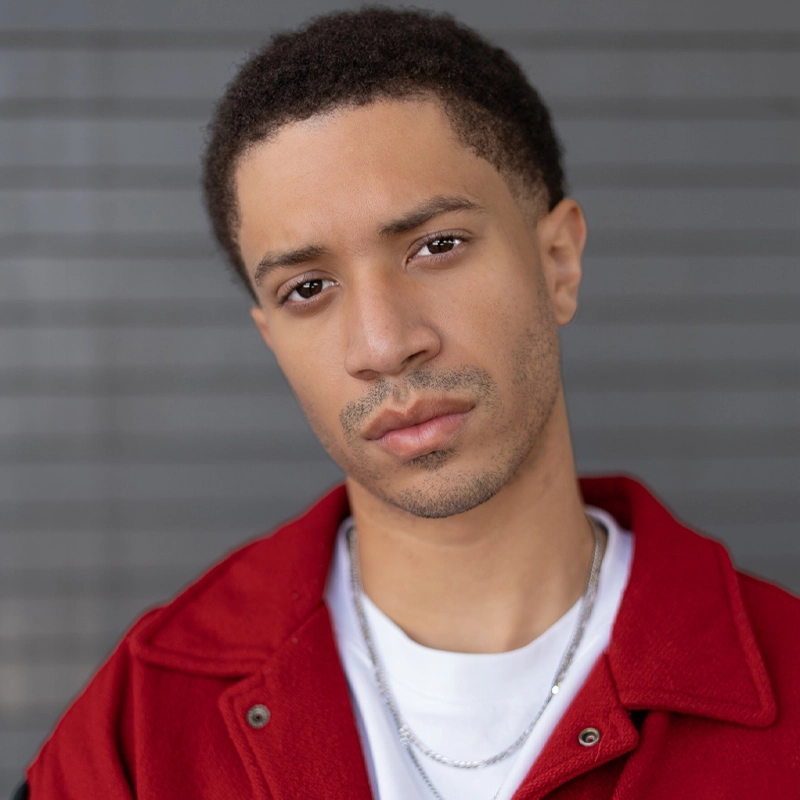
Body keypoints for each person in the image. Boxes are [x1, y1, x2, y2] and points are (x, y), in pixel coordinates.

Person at [17, 7, 799, 799]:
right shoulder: (144, 725)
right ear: (270, 336)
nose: (384, 345)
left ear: (558, 260)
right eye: (308, 289)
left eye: (436, 246)